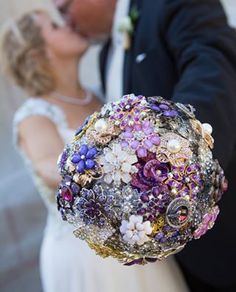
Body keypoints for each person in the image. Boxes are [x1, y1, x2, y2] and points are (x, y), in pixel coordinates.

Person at [0, 10, 189, 292]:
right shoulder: (34, 115)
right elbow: (50, 169)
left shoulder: (101, 94)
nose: (67, 23)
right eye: (54, 26)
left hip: (135, 239)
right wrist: (120, 165)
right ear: (38, 54)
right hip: (87, 257)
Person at [54, 0, 236, 291]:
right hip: (171, 258)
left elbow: (212, 66)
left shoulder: (170, 5)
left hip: (223, 230)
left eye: (65, 9)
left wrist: (180, 159)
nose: (66, 21)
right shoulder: (105, 57)